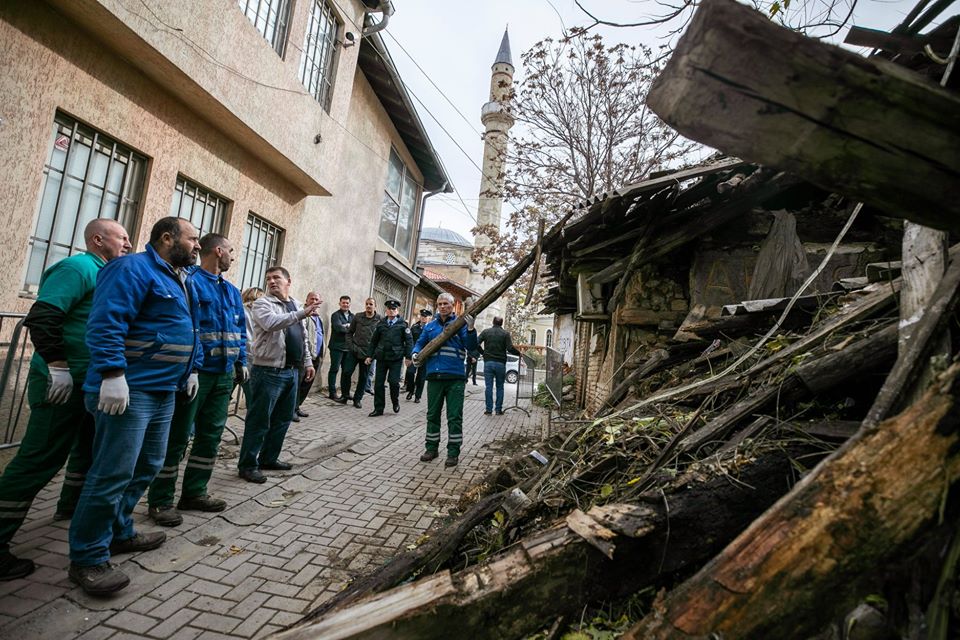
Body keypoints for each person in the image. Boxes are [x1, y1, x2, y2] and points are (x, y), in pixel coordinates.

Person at [69, 216, 202, 595]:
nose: (197, 246)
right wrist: (112, 374)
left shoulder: (179, 277)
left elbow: (187, 328)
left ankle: (119, 532)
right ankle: (88, 558)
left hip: (163, 390)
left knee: (148, 466)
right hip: (129, 390)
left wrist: (189, 369)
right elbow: (107, 321)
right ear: (166, 238)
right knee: (111, 474)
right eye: (192, 239)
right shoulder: (130, 268)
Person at [0, 220, 131, 581]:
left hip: (87, 384)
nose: (129, 243)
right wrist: (57, 365)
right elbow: (42, 317)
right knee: (38, 459)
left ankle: (70, 509)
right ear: (97, 239)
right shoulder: (78, 268)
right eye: (122, 237)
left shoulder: (107, 273)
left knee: (85, 452)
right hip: (61, 382)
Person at [146, 233, 247, 527]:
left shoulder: (230, 290)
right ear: (218, 251)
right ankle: (161, 500)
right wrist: (192, 368)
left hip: (223, 374)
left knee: (210, 437)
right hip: (197, 373)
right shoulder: (189, 282)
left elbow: (238, 328)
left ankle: (194, 492)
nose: (232, 256)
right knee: (178, 437)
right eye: (230, 250)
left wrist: (241, 361)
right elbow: (188, 327)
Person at [238, 266, 319, 484]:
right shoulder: (263, 304)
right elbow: (272, 323)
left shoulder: (295, 305)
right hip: (268, 371)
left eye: (276, 278)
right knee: (259, 420)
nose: (272, 282)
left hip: (292, 371)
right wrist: (303, 312)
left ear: (288, 281)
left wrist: (308, 362)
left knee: (282, 419)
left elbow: (302, 337)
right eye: (268, 279)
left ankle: (269, 458)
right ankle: (247, 465)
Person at [411, 293, 477, 468]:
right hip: (434, 377)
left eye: (446, 303)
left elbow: (471, 347)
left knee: (454, 416)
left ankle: (453, 452)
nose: (442, 306)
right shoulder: (430, 327)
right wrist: (415, 353)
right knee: (432, 415)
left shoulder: (460, 325)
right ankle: (431, 448)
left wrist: (470, 329)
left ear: (452, 305)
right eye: (439, 304)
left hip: (455, 377)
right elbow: (419, 343)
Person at [365, 299, 412, 417]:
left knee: (394, 382)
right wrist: (369, 355)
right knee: (378, 384)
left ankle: (395, 402)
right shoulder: (381, 324)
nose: (391, 311)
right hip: (381, 357)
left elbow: (409, 342)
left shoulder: (403, 325)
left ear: (397, 310)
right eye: (389, 309)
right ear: (386, 310)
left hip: (396, 358)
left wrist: (408, 357)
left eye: (394, 309)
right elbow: (373, 341)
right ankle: (378, 408)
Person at [477, 316, 521, 415]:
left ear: (493, 322)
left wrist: (483, 353)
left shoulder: (486, 332)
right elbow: (510, 348)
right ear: (502, 323)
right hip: (500, 363)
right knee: (500, 387)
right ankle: (498, 410)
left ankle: (488, 410)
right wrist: (519, 353)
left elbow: (476, 343)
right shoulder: (505, 334)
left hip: (488, 362)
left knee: (488, 387)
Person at [341, 297, 379, 410]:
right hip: (354, 350)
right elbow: (349, 333)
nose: (368, 306)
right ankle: (345, 395)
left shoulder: (379, 319)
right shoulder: (358, 316)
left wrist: (373, 354)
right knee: (346, 372)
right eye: (367, 304)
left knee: (363, 377)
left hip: (368, 354)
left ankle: (357, 399)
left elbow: (381, 338)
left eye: (371, 304)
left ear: (375, 306)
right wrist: (351, 346)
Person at [294, 291, 324, 421]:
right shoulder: (303, 315)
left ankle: (297, 407)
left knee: (307, 385)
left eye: (317, 299)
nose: (314, 301)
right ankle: (291, 410)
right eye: (312, 298)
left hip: (316, 356)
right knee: (298, 384)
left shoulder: (319, 318)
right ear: (306, 300)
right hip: (305, 357)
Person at [239, 287, 263, 406]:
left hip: (237, 354)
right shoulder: (263, 313)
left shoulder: (239, 309)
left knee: (223, 397)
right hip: (254, 357)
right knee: (252, 398)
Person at [328, 295, 353, 402]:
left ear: (349, 304)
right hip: (336, 347)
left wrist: (347, 326)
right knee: (334, 369)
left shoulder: (353, 316)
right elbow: (338, 328)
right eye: (343, 302)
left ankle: (345, 393)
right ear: (340, 303)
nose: (345, 304)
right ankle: (332, 393)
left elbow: (357, 329)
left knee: (346, 372)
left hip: (348, 348)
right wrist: (349, 327)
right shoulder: (335, 315)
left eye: (347, 303)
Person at [404, 309, 432, 403]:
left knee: (421, 377)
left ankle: (418, 396)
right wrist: (408, 354)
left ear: (429, 318)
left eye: (425, 316)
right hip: (414, 354)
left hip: (426, 355)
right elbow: (409, 341)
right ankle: (411, 390)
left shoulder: (431, 328)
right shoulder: (414, 327)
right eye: (422, 316)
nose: (423, 318)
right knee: (410, 372)